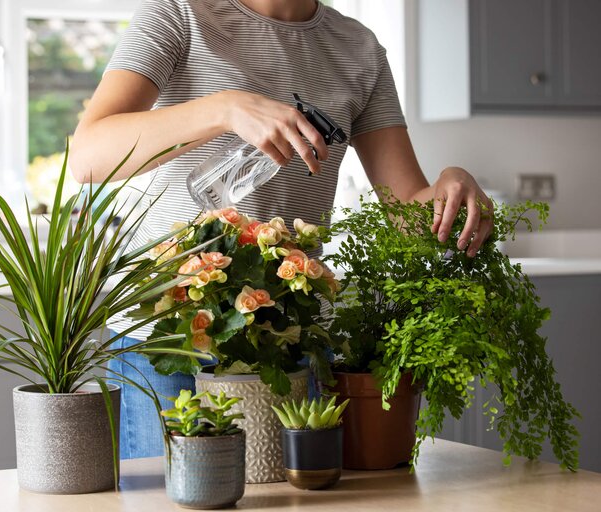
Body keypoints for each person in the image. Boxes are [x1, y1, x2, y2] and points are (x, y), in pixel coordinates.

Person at [70, 0, 494, 459]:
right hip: (170, 338)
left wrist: (450, 185)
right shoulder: (179, 13)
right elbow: (89, 156)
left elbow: (407, 216)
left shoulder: (359, 49)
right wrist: (226, 109)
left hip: (287, 339)